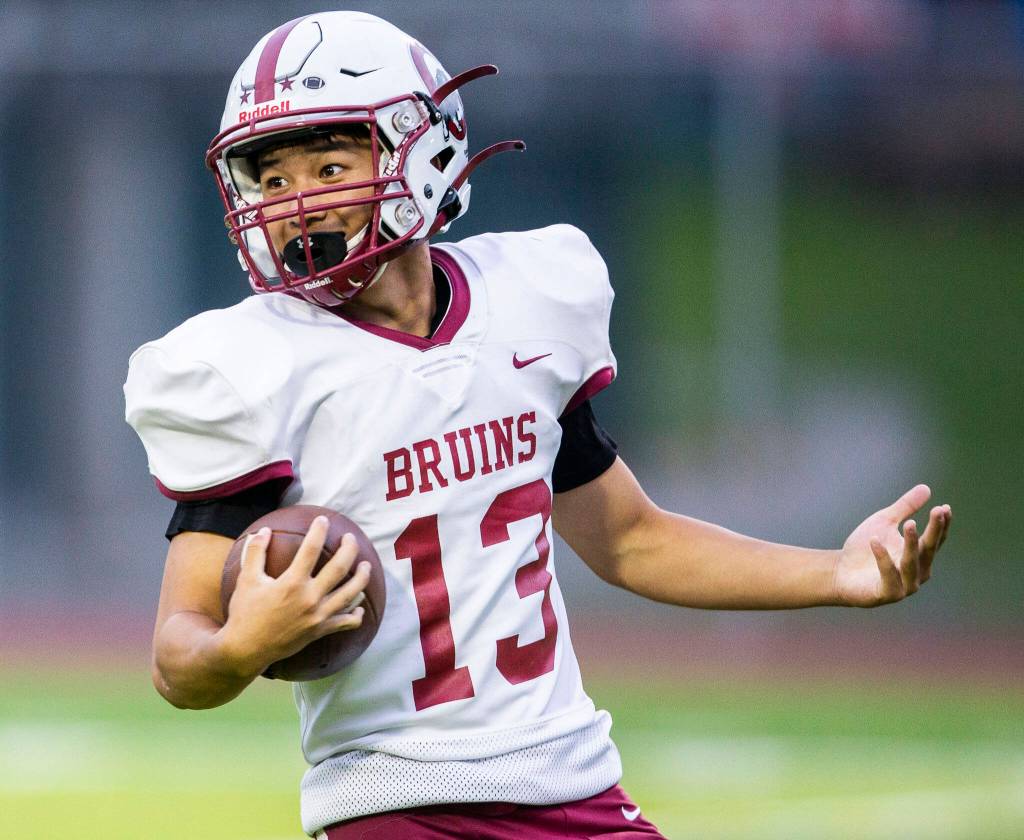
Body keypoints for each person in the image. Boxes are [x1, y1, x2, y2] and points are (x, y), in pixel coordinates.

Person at [123, 11, 952, 840]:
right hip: (391, 804)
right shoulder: (248, 367)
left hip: (575, 782)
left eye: (330, 165)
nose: (299, 204)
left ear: (423, 148)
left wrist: (835, 575)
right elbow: (177, 656)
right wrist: (239, 646)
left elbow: (631, 540)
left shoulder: (527, 303)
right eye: (272, 182)